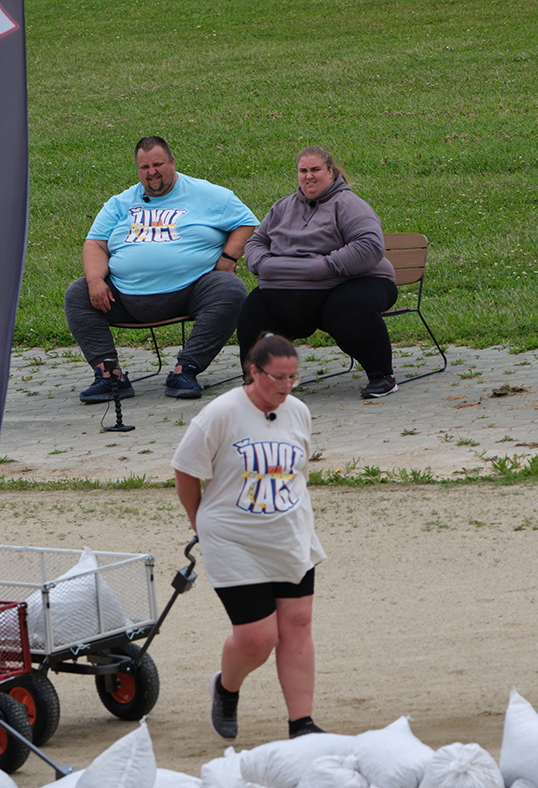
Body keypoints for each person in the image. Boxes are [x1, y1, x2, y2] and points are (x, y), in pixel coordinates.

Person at [172, 334, 329, 740]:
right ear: (254, 371)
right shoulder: (220, 414)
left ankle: (302, 724)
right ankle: (226, 688)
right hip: (233, 538)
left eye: (293, 377)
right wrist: (198, 521)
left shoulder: (298, 412)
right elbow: (186, 470)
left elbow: (298, 471)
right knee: (258, 637)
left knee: (297, 622)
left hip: (288, 533)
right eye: (277, 377)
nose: (285, 386)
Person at [64, 136, 258, 403]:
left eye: (158, 164)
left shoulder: (208, 194)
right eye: (144, 167)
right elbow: (95, 243)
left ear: (172, 162)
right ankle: (109, 376)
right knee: (78, 292)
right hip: (124, 296)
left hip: (190, 292)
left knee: (231, 289)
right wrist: (96, 279)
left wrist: (227, 258)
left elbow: (247, 222)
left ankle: (185, 370)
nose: (152, 172)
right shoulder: (120, 203)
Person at [238, 146, 401, 400]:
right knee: (253, 309)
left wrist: (326, 266)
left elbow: (370, 246)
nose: (308, 176)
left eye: (315, 170)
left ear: (330, 171)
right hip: (289, 288)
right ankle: (256, 381)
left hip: (356, 281)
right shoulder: (282, 207)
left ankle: (383, 376)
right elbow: (256, 242)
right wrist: (262, 264)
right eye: (303, 171)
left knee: (346, 309)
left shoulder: (349, 205)